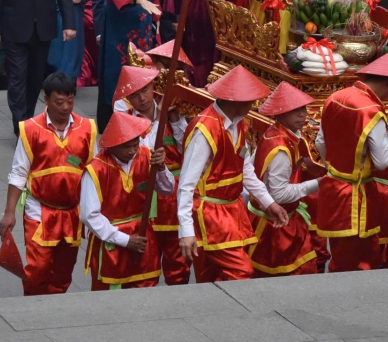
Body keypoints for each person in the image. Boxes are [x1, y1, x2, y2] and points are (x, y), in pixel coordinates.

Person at [177, 65, 287, 281]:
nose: (254, 104)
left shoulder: (238, 125)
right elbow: (186, 184)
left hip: (230, 211)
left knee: (209, 276)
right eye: (250, 99)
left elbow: (245, 171)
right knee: (241, 271)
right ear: (234, 100)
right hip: (210, 214)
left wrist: (269, 203)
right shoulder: (205, 130)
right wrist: (186, 230)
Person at [0, 72, 96, 295]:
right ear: (46, 100)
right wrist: (9, 212)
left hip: (73, 211)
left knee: (64, 270)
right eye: (59, 102)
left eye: (70, 101)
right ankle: (32, 302)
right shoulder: (30, 129)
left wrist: (96, 212)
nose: (65, 107)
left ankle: (55, 307)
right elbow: (18, 173)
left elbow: (94, 173)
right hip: (39, 210)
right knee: (37, 267)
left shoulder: (88, 128)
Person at [316, 55, 388, 271]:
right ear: (387, 83)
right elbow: (382, 162)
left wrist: (336, 165)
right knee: (362, 259)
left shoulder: (334, 97)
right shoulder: (372, 111)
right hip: (358, 197)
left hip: (334, 188)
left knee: (339, 254)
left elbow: (320, 142)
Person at [112, 64, 190, 285]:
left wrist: (173, 118)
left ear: (153, 87)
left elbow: (187, 149)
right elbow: (141, 150)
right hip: (142, 198)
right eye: (134, 95)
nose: (142, 98)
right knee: (146, 264)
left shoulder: (174, 111)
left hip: (173, 197)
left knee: (178, 264)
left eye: (145, 90)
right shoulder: (124, 120)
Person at [80, 111, 171, 290]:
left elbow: (167, 189)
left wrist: (161, 168)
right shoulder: (96, 169)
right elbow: (89, 216)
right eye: (126, 146)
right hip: (111, 241)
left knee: (147, 288)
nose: (132, 150)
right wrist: (125, 239)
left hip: (144, 236)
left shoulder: (147, 155)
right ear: (112, 145)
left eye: (135, 144)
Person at [250, 83, 322, 276]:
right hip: (275, 225)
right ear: (279, 113)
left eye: (303, 109)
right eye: (294, 110)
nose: (302, 114)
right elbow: (278, 194)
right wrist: (317, 185)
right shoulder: (280, 147)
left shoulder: (285, 134)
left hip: (286, 217)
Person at [98, 0, 160, 127]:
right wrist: (138, 0)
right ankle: (117, 118)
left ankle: (143, 114)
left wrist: (157, 17)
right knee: (119, 70)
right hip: (119, 27)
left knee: (143, 68)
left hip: (143, 26)